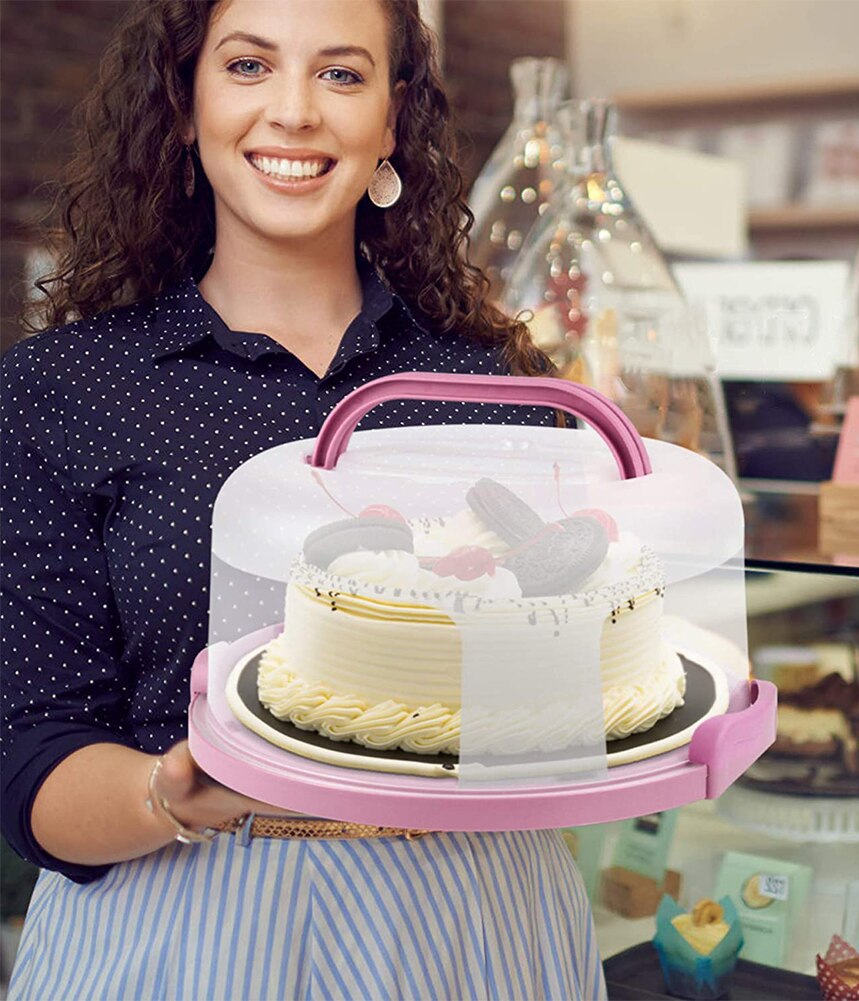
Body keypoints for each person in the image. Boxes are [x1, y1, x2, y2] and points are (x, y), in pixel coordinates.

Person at [1, 1, 605, 998]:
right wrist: (174, 788)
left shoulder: (489, 381)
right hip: (176, 922)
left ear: (390, 118)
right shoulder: (64, 387)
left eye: (339, 74)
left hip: (473, 917)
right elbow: (33, 762)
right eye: (247, 66)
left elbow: (558, 678)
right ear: (184, 104)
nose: (293, 111)